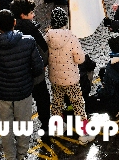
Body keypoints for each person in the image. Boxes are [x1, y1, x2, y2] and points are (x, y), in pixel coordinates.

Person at [0, 9, 44, 160]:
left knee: (6, 128)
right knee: (24, 125)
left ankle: (10, 156)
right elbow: (38, 67)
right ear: (14, 23)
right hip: (23, 91)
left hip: (4, 93)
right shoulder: (28, 41)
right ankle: (22, 154)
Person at [45, 8, 95, 143]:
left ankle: (57, 127)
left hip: (55, 77)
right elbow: (80, 59)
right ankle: (84, 133)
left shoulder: (47, 36)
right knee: (78, 104)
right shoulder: (71, 37)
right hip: (71, 79)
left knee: (57, 102)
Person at [10, 0, 51, 140]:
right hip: (35, 76)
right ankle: (46, 128)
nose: (33, 14)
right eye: (31, 12)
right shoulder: (32, 30)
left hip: (17, 78)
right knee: (43, 101)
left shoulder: (8, 30)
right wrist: (42, 65)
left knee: (19, 107)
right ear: (23, 15)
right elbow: (44, 51)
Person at [85, 34, 119, 118]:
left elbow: (107, 92)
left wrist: (99, 91)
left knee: (89, 104)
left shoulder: (112, 69)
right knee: (103, 71)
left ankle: (116, 112)